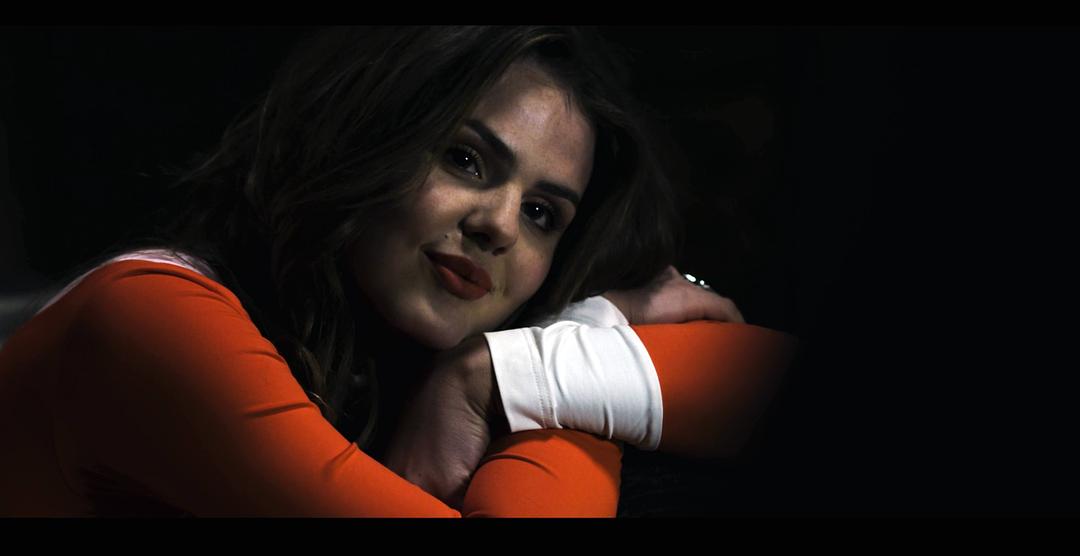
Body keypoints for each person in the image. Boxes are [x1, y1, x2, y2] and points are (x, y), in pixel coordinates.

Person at [0, 26, 796, 517]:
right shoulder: (151, 320)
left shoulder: (398, 363)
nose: (497, 225)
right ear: (365, 136)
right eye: (465, 159)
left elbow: (812, 402)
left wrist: (502, 373)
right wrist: (563, 382)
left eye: (542, 213)